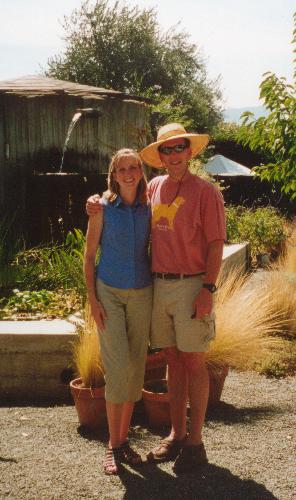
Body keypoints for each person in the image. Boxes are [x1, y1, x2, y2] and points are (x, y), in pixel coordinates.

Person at [87, 123, 226, 474]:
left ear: (189, 151)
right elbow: (116, 202)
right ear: (160, 157)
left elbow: (215, 244)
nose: (174, 155)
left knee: (193, 362)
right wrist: (96, 200)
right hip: (158, 287)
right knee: (172, 360)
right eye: (167, 150)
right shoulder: (155, 189)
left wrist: (208, 289)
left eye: (179, 148)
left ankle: (195, 442)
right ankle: (176, 433)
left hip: (194, 285)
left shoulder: (207, 193)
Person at [84, 148, 152, 475]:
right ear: (114, 173)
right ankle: (112, 445)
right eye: (122, 168)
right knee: (118, 368)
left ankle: (123, 441)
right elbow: (88, 257)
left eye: (133, 168)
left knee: (135, 369)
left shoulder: (148, 207)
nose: (128, 173)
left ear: (140, 171)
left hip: (142, 293)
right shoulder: (101, 208)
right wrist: (93, 300)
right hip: (108, 292)